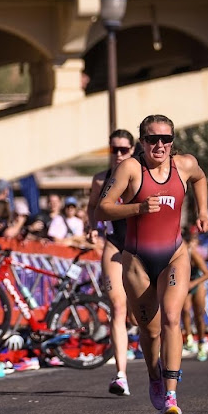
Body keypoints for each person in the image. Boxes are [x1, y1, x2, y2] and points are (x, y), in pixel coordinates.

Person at [97, 114, 208, 414]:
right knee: (150, 331)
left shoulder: (184, 165)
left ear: (173, 141)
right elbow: (102, 208)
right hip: (136, 261)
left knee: (172, 318)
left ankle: (172, 395)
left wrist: (202, 211)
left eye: (166, 139)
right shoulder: (131, 169)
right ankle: (154, 377)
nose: (159, 145)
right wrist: (137, 207)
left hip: (174, 255)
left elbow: (201, 177)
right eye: (152, 139)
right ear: (142, 142)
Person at [87, 129, 136, 396]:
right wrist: (93, 226)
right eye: (114, 150)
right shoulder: (100, 180)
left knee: (142, 312)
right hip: (115, 243)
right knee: (117, 307)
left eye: (124, 150)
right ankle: (121, 375)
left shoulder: (140, 175)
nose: (118, 155)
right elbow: (93, 206)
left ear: (132, 150)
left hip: (142, 248)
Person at [181, 227, 208, 361]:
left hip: (196, 282)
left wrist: (193, 284)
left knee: (199, 314)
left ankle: (201, 342)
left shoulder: (192, 253)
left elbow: (207, 274)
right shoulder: (176, 253)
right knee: (185, 311)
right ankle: (188, 338)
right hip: (185, 283)